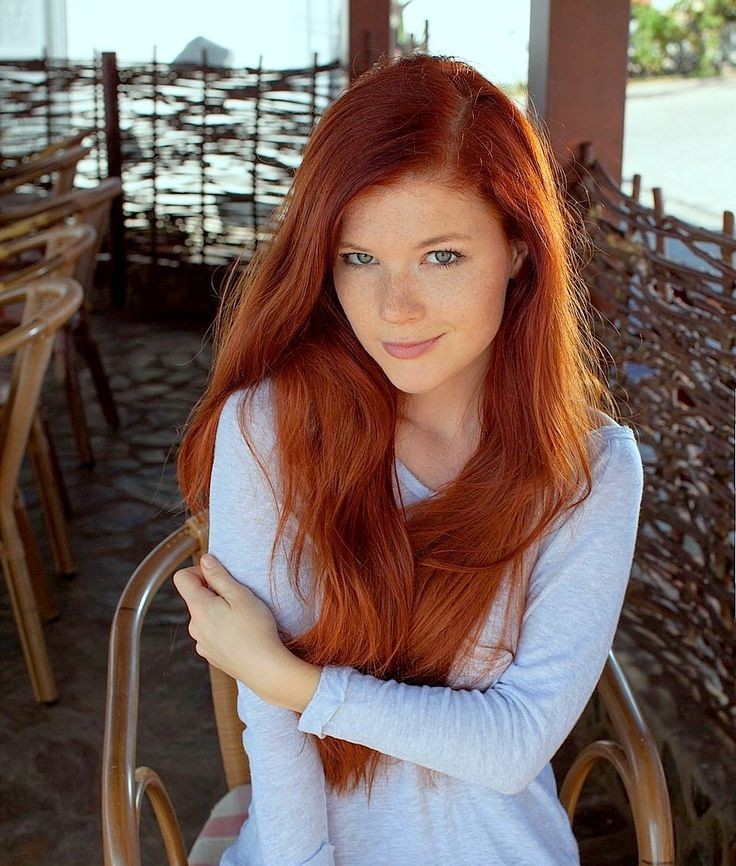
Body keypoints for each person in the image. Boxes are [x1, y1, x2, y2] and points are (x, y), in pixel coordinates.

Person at [173, 52, 644, 866]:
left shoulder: (590, 471)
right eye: (359, 258)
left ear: (519, 249)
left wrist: (296, 681)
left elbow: (514, 744)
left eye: (441, 256)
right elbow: (275, 737)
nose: (396, 308)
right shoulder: (273, 429)